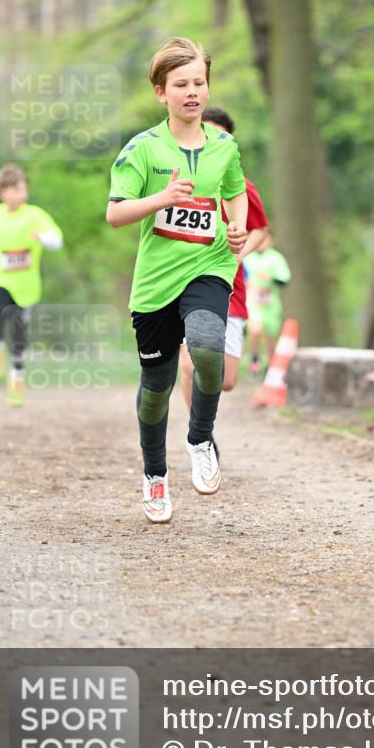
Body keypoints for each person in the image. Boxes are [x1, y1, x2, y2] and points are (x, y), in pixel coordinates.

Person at [106, 36, 248, 524]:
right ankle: (154, 475)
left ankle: (201, 437)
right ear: (160, 92)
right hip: (154, 284)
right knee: (156, 385)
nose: (192, 92)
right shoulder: (142, 149)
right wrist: (162, 199)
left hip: (209, 267)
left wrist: (238, 226)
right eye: (181, 84)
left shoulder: (224, 146)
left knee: (208, 346)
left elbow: (235, 193)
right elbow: (116, 214)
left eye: (199, 82)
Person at [179, 106, 268, 414]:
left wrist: (238, 251)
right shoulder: (179, 177)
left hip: (230, 285)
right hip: (185, 280)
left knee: (226, 379)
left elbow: (259, 229)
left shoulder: (240, 183)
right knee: (193, 363)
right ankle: (200, 438)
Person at [0, 164, 63, 406]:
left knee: (19, 331)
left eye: (24, 188)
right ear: (3, 192)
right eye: (17, 189)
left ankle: (16, 379)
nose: (23, 194)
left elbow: (57, 240)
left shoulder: (35, 214)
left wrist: (41, 238)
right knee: (1, 309)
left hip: (26, 283)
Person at [243, 229, 291, 375]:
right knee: (254, 328)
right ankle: (255, 358)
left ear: (271, 240)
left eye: (265, 239)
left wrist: (270, 278)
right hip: (252, 300)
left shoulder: (276, 258)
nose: (261, 243)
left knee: (270, 338)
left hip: (270, 303)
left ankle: (271, 368)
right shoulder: (248, 257)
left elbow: (284, 279)